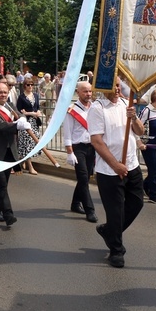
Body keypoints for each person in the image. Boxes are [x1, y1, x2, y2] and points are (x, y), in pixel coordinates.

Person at [88, 77, 145, 268]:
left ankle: (109, 232)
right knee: (115, 211)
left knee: (136, 203)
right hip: (110, 170)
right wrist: (115, 165)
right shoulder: (97, 108)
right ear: (104, 87)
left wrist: (134, 117)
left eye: (119, 85)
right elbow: (96, 141)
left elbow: (140, 131)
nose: (118, 89)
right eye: (114, 85)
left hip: (131, 164)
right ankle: (116, 250)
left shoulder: (125, 104)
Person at [0, 81, 31, 227]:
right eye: (0, 92)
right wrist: (17, 125)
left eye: (5, 92)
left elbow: (19, 118)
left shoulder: (10, 106)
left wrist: (23, 119)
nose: (3, 94)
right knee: (1, 183)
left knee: (3, 184)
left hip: (10, 150)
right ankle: (8, 214)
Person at [62, 81, 97, 222]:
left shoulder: (94, 107)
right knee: (83, 178)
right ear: (78, 92)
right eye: (85, 91)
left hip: (92, 147)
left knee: (86, 177)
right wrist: (69, 151)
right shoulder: (72, 110)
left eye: (90, 91)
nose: (88, 94)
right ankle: (90, 210)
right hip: (78, 148)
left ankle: (75, 203)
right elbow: (67, 132)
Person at [16, 76, 43, 175]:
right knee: (27, 144)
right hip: (26, 123)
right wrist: (31, 113)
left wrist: (37, 113)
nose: (30, 86)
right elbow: (19, 111)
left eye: (32, 84)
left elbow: (38, 107)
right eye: (28, 85)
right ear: (24, 86)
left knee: (33, 143)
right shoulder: (21, 97)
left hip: (34, 122)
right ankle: (30, 167)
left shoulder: (35, 95)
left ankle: (21, 162)